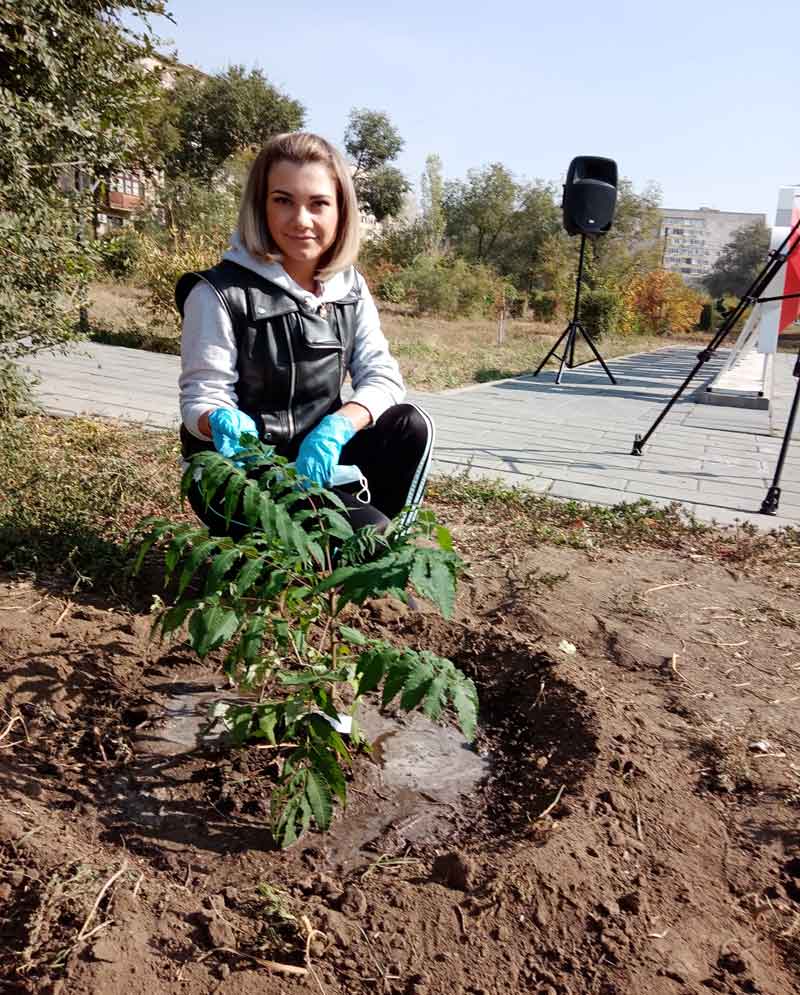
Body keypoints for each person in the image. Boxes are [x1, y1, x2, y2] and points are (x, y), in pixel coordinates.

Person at [177, 131, 434, 539]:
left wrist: (338, 427)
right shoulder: (217, 293)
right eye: (283, 201)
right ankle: (333, 546)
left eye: (318, 204)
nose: (301, 220)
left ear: (340, 210)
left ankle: (365, 547)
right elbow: (200, 397)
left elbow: (383, 377)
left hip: (315, 460)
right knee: (365, 532)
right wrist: (220, 422)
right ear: (260, 206)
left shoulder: (349, 288)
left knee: (410, 425)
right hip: (243, 470)